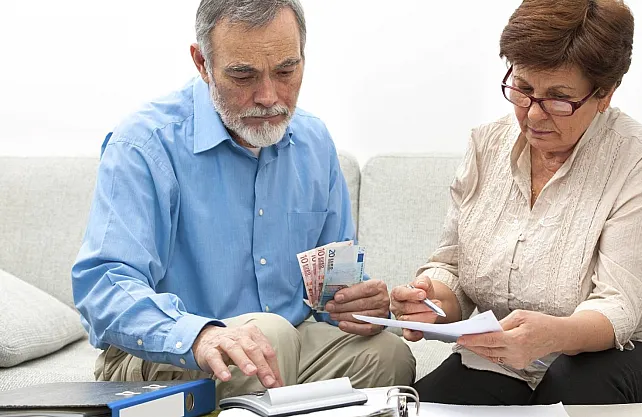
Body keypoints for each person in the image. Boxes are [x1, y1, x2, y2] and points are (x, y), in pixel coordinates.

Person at [72, 0, 414, 400]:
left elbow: (331, 295)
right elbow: (103, 286)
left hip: (283, 344)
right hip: (171, 352)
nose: (268, 96)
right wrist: (199, 335)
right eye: (243, 75)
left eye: (285, 71)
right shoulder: (145, 144)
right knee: (266, 338)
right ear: (203, 63)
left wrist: (362, 306)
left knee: (386, 354)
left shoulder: (314, 142)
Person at [390, 1, 642, 416]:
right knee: (422, 406)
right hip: (510, 360)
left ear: (605, 94)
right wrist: (432, 301)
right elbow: (452, 269)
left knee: (570, 389)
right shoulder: (486, 145)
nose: (533, 115)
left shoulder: (639, 162)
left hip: (632, 354)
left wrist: (552, 336)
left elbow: (619, 307)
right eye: (523, 89)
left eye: (558, 98)